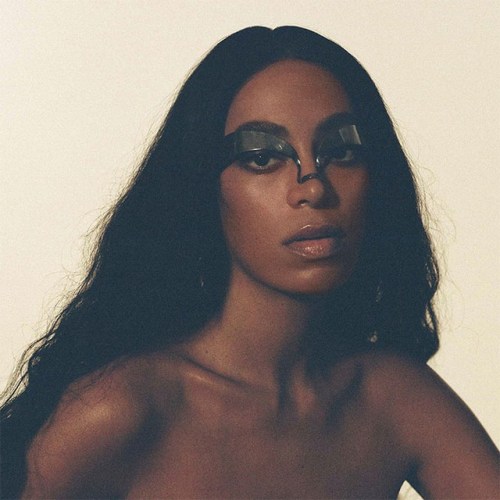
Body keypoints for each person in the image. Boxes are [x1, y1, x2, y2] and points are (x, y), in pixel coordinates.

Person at [1, 26, 497, 499]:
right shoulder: (122, 409)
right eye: (263, 158)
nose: (313, 187)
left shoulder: (392, 398)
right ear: (203, 187)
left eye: (341, 152)